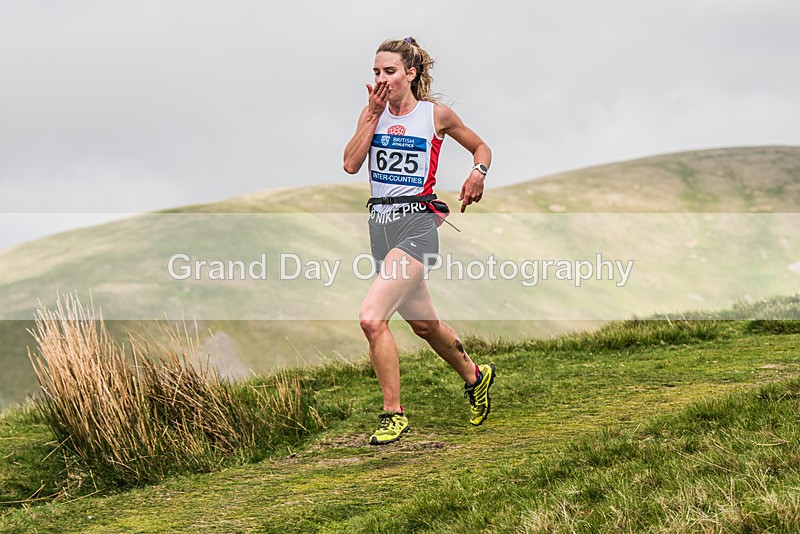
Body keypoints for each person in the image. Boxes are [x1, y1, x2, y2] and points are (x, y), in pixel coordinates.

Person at [343, 37, 495, 445]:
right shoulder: (371, 113)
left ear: (410, 74)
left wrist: (477, 172)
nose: (381, 79)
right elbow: (351, 164)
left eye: (389, 71)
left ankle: (393, 414)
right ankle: (475, 376)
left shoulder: (435, 115)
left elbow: (481, 146)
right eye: (376, 72)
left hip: (418, 225)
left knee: (372, 318)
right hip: (381, 226)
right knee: (425, 325)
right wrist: (372, 115)